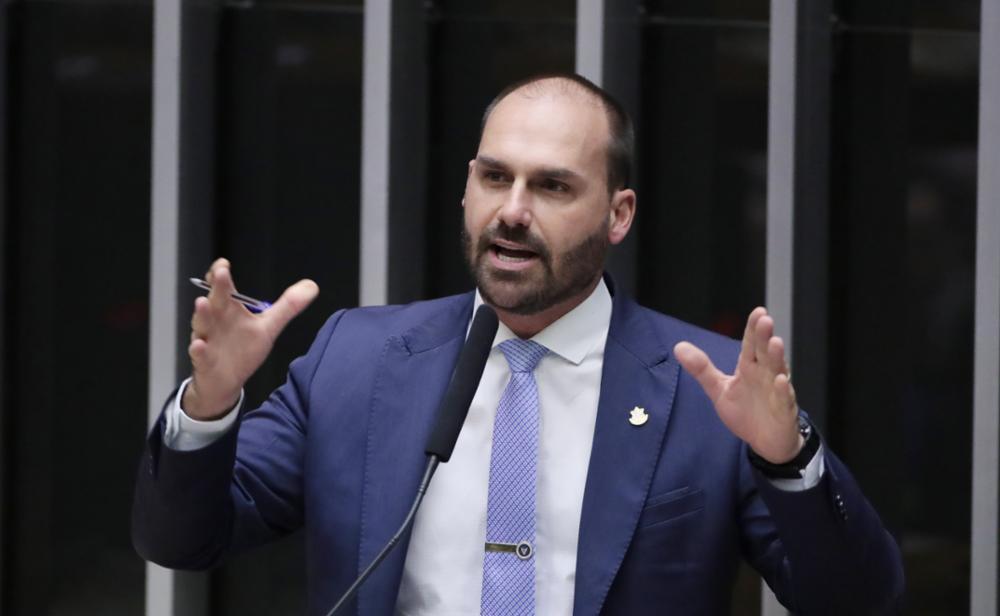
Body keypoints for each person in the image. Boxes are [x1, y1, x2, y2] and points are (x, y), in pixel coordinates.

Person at [132, 73, 904, 615]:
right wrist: (209, 404)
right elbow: (181, 539)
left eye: (554, 186)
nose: (513, 211)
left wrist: (787, 461)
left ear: (619, 213)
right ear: (466, 187)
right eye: (495, 178)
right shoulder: (357, 361)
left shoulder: (706, 392)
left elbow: (855, 599)